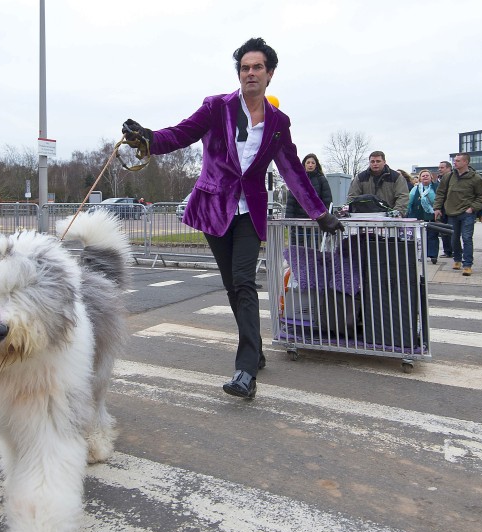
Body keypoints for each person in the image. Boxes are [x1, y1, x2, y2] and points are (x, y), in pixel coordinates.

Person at [121, 37, 343, 400]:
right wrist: (147, 138)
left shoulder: (277, 122)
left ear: (270, 74)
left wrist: (319, 213)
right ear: (239, 73)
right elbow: (181, 134)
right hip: (214, 209)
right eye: (245, 67)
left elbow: (291, 171)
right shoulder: (216, 107)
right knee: (230, 285)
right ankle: (254, 351)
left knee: (243, 282)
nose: (250, 73)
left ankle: (245, 370)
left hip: (248, 212)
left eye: (257, 67)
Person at [433, 153, 482, 277]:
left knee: (467, 238)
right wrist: (437, 207)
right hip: (451, 213)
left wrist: (472, 208)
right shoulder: (448, 177)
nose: (455, 163)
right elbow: (440, 193)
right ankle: (457, 260)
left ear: (466, 162)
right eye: (455, 160)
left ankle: (467, 265)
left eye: (458, 161)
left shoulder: (475, 178)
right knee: (454, 238)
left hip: (467, 213)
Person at [284, 153, 332, 246]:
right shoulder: (297, 180)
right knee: (297, 249)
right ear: (304, 164)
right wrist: (288, 220)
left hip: (317, 222)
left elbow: (327, 201)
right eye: (308, 162)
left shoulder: (322, 180)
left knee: (314, 250)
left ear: (316, 165)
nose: (310, 165)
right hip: (299, 222)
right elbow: (291, 202)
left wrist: (326, 219)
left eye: (313, 163)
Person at [346, 151, 409, 216]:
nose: (375, 164)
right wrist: (351, 212)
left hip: (389, 217)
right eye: (372, 161)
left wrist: (397, 213)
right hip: (364, 217)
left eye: (378, 161)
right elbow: (352, 197)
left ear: (384, 162)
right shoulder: (360, 178)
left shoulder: (396, 177)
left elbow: (403, 196)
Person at [407, 169, 439, 264]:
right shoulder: (415, 189)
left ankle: (433, 255)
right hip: (418, 214)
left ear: (431, 177)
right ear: (420, 178)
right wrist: (406, 212)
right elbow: (410, 201)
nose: (425, 177)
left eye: (427, 175)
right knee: (419, 236)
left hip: (432, 215)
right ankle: (421, 254)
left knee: (432, 235)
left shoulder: (436, 187)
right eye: (423, 175)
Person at [436, 161, 453, 258]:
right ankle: (447, 251)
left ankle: (454, 249)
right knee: (443, 230)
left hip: (452, 208)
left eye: (442, 167)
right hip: (442, 209)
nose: (439, 169)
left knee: (452, 230)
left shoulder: (453, 179)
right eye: (439, 167)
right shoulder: (439, 180)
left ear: (448, 168)